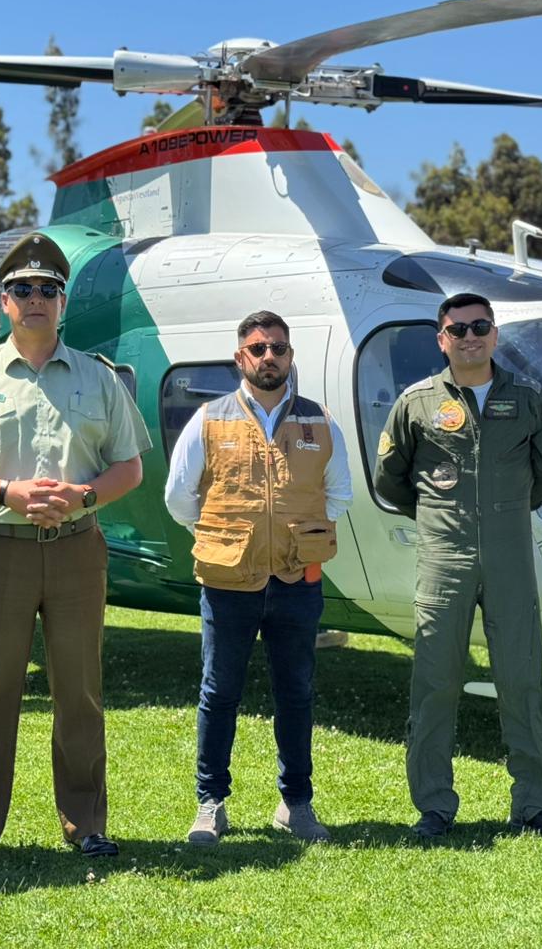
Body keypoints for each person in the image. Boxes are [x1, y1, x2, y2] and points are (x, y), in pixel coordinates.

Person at [0, 231, 150, 871]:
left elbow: (128, 468)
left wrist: (79, 498)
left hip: (78, 549)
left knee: (80, 691)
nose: (36, 299)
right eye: (23, 289)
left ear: (62, 300)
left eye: (47, 289)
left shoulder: (98, 378)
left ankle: (86, 824)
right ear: (6, 301)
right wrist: (5, 491)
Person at [373, 292, 542, 839]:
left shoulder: (527, 399)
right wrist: (445, 516)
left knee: (522, 680)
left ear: (494, 334)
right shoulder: (416, 403)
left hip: (509, 558)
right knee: (435, 681)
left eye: (479, 326)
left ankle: (533, 805)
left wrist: (502, 512)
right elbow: (392, 479)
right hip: (445, 559)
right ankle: (434, 805)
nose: (469, 337)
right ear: (442, 340)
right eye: (457, 330)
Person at [164, 310, 352, 845]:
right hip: (229, 581)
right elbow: (181, 499)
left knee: (296, 693)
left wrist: (301, 535)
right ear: (240, 358)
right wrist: (227, 535)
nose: (269, 357)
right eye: (258, 348)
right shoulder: (209, 420)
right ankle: (210, 803)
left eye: (279, 348)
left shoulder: (321, 422)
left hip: (297, 581)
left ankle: (296, 804)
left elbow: (340, 493)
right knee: (219, 692)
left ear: (291, 357)